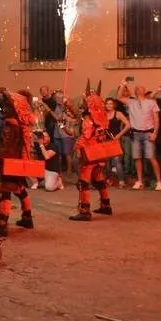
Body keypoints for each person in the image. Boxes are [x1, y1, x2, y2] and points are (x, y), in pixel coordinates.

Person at [0, 86, 37, 236]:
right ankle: (27, 217)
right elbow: (3, 103)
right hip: (17, 162)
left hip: (8, 162)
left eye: (7, 104)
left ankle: (1, 225)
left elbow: (3, 146)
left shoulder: (10, 125)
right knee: (19, 188)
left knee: (4, 191)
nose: (4, 107)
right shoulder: (18, 121)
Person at [69, 82, 114, 221]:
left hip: (90, 153)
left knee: (83, 181)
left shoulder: (89, 119)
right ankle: (106, 206)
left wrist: (78, 146)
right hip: (100, 152)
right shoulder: (102, 117)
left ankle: (85, 210)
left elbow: (86, 135)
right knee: (99, 179)